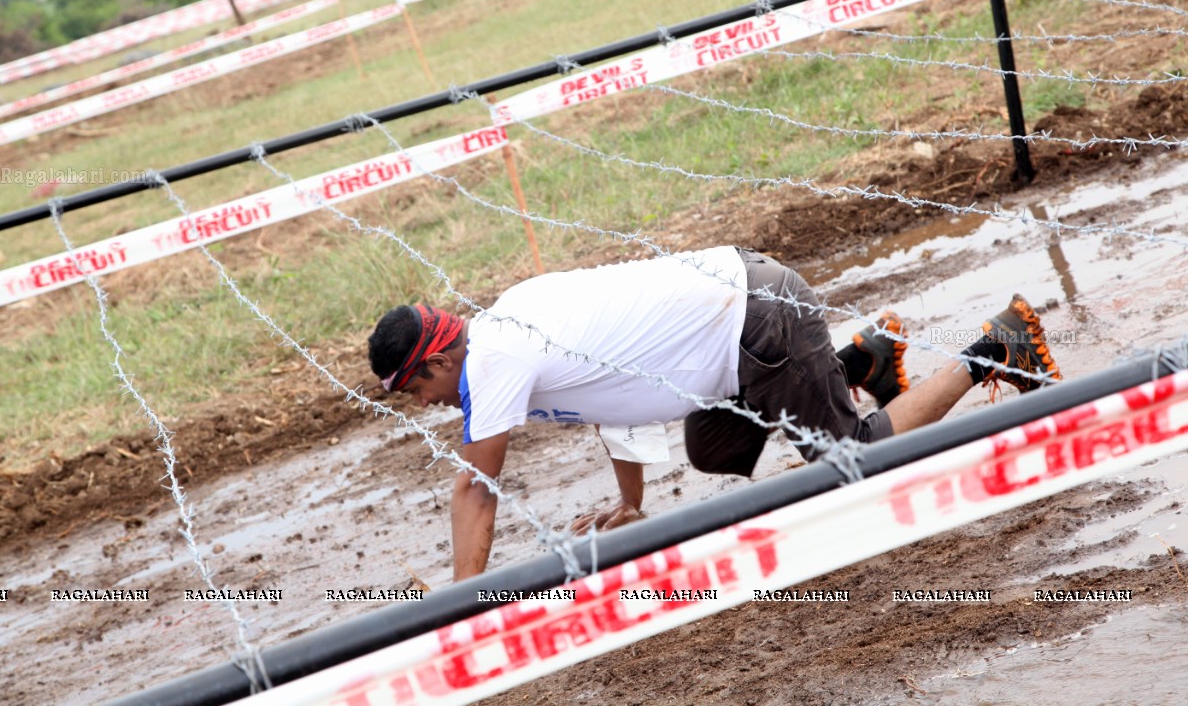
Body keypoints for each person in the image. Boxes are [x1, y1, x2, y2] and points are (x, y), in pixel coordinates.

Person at [368, 246, 1062, 580]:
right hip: (738, 322)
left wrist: (466, 611)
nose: (420, 405)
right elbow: (609, 399)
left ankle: (997, 346)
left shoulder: (493, 361)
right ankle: (864, 361)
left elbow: (474, 490)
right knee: (715, 451)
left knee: (859, 454)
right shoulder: (504, 326)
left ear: (435, 362)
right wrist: (628, 501)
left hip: (759, 321)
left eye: (411, 390)